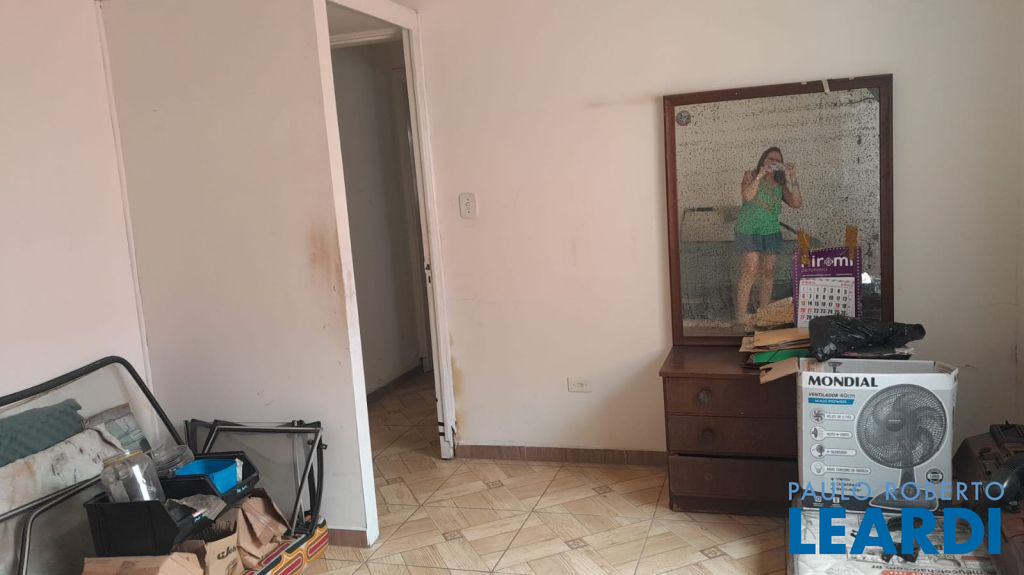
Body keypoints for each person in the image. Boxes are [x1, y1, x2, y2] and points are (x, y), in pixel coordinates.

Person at [734, 146, 802, 326]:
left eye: (778, 161)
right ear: (763, 160)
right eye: (770, 159)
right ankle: (741, 315)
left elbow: (796, 203)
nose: (774, 162)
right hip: (748, 230)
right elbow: (747, 196)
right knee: (750, 269)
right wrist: (759, 176)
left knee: (768, 271)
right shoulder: (750, 175)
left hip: (771, 232)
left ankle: (763, 313)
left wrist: (792, 176)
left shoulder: (780, 184)